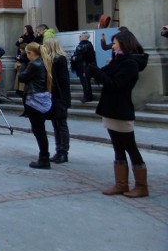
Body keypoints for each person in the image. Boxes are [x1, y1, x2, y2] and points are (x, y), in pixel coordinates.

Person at [86, 31, 149, 198]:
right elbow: (103, 74)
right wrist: (91, 68)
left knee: (131, 148)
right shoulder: (117, 60)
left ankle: (142, 186)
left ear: (124, 43)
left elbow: (115, 84)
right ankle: (121, 184)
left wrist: (96, 72)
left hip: (121, 110)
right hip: (110, 108)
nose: (112, 46)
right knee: (118, 148)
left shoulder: (130, 64)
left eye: (114, 43)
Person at [18, 42, 53, 169]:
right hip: (42, 98)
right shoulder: (44, 62)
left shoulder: (34, 64)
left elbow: (22, 77)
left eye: (27, 53)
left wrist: (22, 64)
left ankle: (44, 159)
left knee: (39, 131)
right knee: (40, 130)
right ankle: (44, 157)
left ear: (31, 53)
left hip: (34, 99)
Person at [43, 38, 72, 163]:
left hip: (60, 97)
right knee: (56, 125)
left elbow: (63, 80)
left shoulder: (60, 59)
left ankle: (63, 152)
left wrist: (63, 99)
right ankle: (58, 150)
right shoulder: (50, 60)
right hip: (54, 96)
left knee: (61, 125)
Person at [71, 32, 96, 103]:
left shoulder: (87, 45)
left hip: (85, 68)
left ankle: (87, 97)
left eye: (81, 36)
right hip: (81, 67)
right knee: (84, 83)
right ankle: (87, 96)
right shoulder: (83, 45)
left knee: (86, 83)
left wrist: (75, 58)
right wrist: (74, 57)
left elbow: (85, 56)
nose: (79, 37)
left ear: (85, 37)